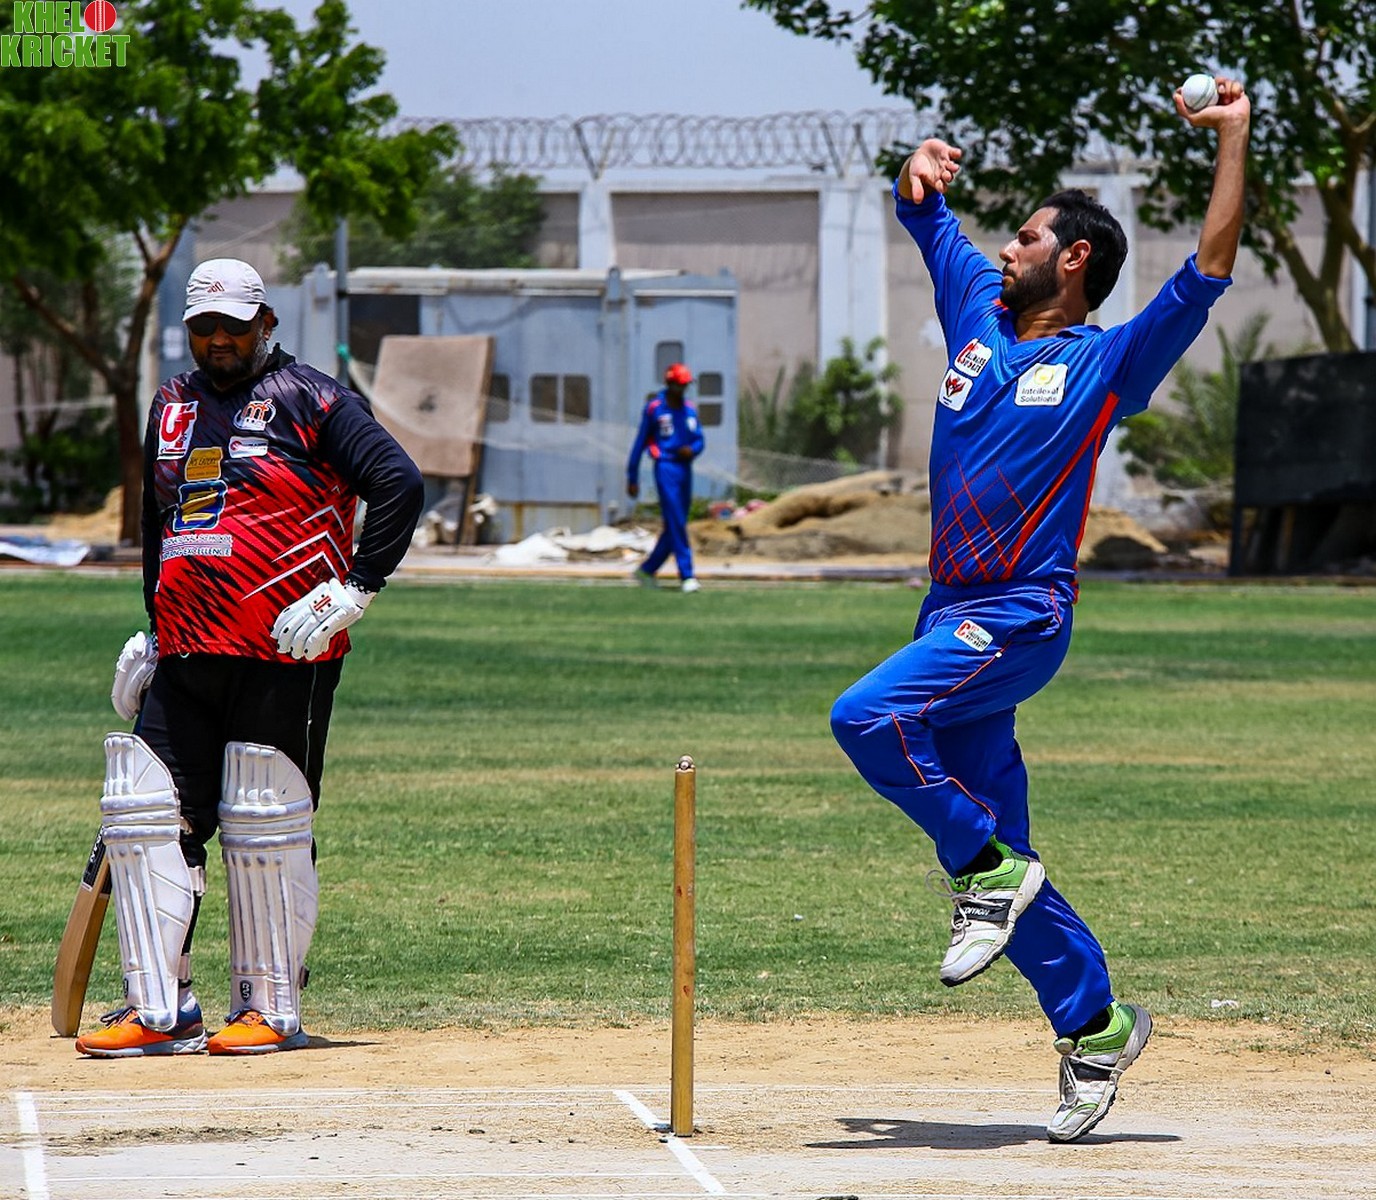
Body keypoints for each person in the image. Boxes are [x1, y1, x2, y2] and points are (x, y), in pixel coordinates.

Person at [829, 80, 1250, 1141]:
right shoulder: (977, 312)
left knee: (866, 718)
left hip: (1020, 614)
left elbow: (1209, 267)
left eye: (1025, 236)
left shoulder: (1105, 362)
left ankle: (986, 868)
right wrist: (917, 173)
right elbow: (926, 217)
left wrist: (1233, 136)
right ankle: (1095, 1024)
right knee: (998, 848)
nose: (1005, 247)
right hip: (947, 614)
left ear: (1073, 259)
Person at [75, 258, 424, 1058]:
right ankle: (160, 1009)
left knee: (265, 816)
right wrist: (155, 627)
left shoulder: (314, 398)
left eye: (234, 325)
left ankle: (271, 1007)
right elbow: (162, 526)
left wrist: (357, 587)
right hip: (187, 647)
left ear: (266, 322)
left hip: (284, 647)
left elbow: (398, 482)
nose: (219, 340)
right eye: (204, 327)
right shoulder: (171, 403)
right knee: (145, 811)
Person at [626, 362, 705, 592]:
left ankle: (647, 569)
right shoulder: (655, 408)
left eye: (685, 386)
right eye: (679, 385)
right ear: (670, 384)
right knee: (676, 520)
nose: (682, 390)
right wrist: (632, 476)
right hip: (665, 467)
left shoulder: (689, 409)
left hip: (685, 468)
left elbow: (699, 439)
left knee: (675, 523)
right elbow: (640, 442)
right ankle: (687, 575)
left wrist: (693, 450)